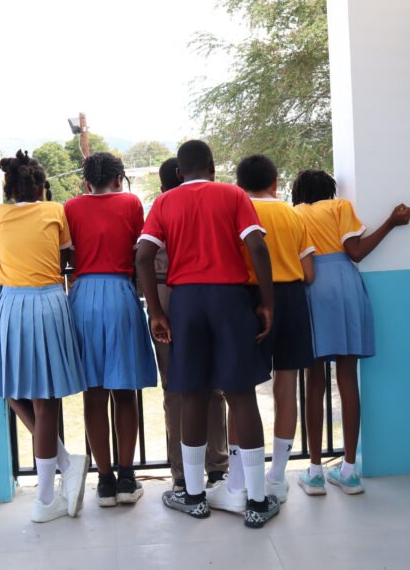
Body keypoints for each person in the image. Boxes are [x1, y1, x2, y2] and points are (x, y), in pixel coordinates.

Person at [136, 140, 278, 529]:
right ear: (213, 167)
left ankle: (194, 496)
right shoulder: (233, 195)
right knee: (241, 396)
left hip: (186, 303)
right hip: (230, 300)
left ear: (178, 173)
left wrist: (156, 311)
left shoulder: (164, 202)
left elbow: (143, 256)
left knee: (192, 395)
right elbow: (257, 246)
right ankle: (257, 501)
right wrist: (267, 302)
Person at [291, 169, 410, 496]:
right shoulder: (339, 207)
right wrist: (391, 222)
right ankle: (349, 471)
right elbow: (355, 251)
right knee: (347, 378)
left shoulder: (295, 214)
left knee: (314, 381)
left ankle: (315, 472)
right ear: (329, 190)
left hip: (312, 289)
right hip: (346, 285)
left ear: (299, 193)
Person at [0, 150, 88, 523]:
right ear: (41, 187)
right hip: (47, 301)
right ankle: (55, 481)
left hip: (11, 304)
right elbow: (63, 258)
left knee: (13, 390)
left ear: (9, 188)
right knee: (44, 402)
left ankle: (51, 489)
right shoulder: (54, 211)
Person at [209, 154, 316, 514]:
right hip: (292, 299)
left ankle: (238, 480)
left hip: (247, 300)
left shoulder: (235, 209)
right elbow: (310, 272)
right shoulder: (293, 214)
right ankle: (277, 478)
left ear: (239, 185)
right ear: (275, 183)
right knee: (287, 387)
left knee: (239, 390)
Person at [64, 152, 158, 507]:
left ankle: (104, 481)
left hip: (83, 297)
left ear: (87, 181)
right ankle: (127, 478)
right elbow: (139, 252)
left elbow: (68, 255)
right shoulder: (131, 203)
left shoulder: (71, 207)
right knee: (124, 390)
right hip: (120, 294)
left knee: (94, 393)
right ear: (119, 178)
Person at [151, 157, 229, 493]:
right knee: (214, 385)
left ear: (163, 185)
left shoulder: (160, 209)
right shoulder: (209, 205)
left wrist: (155, 309)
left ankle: (182, 474)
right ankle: (218, 467)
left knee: (175, 388)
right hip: (209, 294)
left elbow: (142, 255)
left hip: (165, 295)